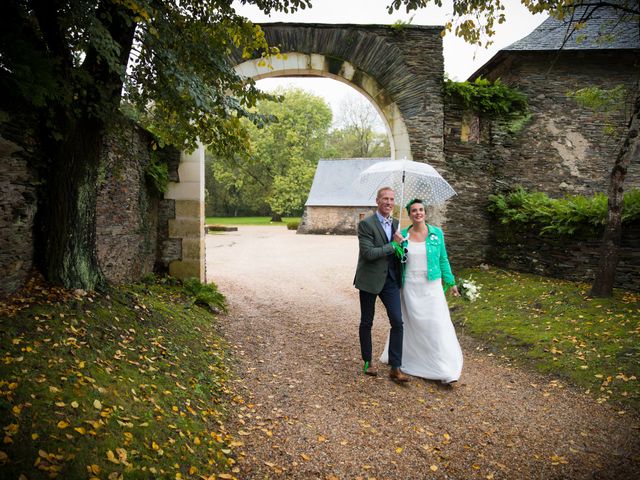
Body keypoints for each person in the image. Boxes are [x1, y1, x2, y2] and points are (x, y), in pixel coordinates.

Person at [380, 198, 463, 384]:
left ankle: (443, 367)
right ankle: (410, 360)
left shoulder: (436, 234)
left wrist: (451, 282)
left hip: (431, 284)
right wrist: (395, 244)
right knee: (411, 324)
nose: (418, 213)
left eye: (421, 210)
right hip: (409, 285)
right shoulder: (402, 235)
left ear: (425, 213)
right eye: (414, 211)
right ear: (409, 215)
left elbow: (443, 259)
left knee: (436, 323)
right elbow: (396, 260)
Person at [354, 187, 409, 383]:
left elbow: (398, 254)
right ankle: (368, 362)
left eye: (392, 199)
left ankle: (396, 367)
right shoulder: (366, 224)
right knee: (367, 321)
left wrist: (402, 247)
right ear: (377, 201)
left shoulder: (397, 224)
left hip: (390, 281)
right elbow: (369, 254)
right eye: (385, 199)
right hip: (369, 279)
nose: (388, 202)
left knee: (397, 321)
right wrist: (392, 245)